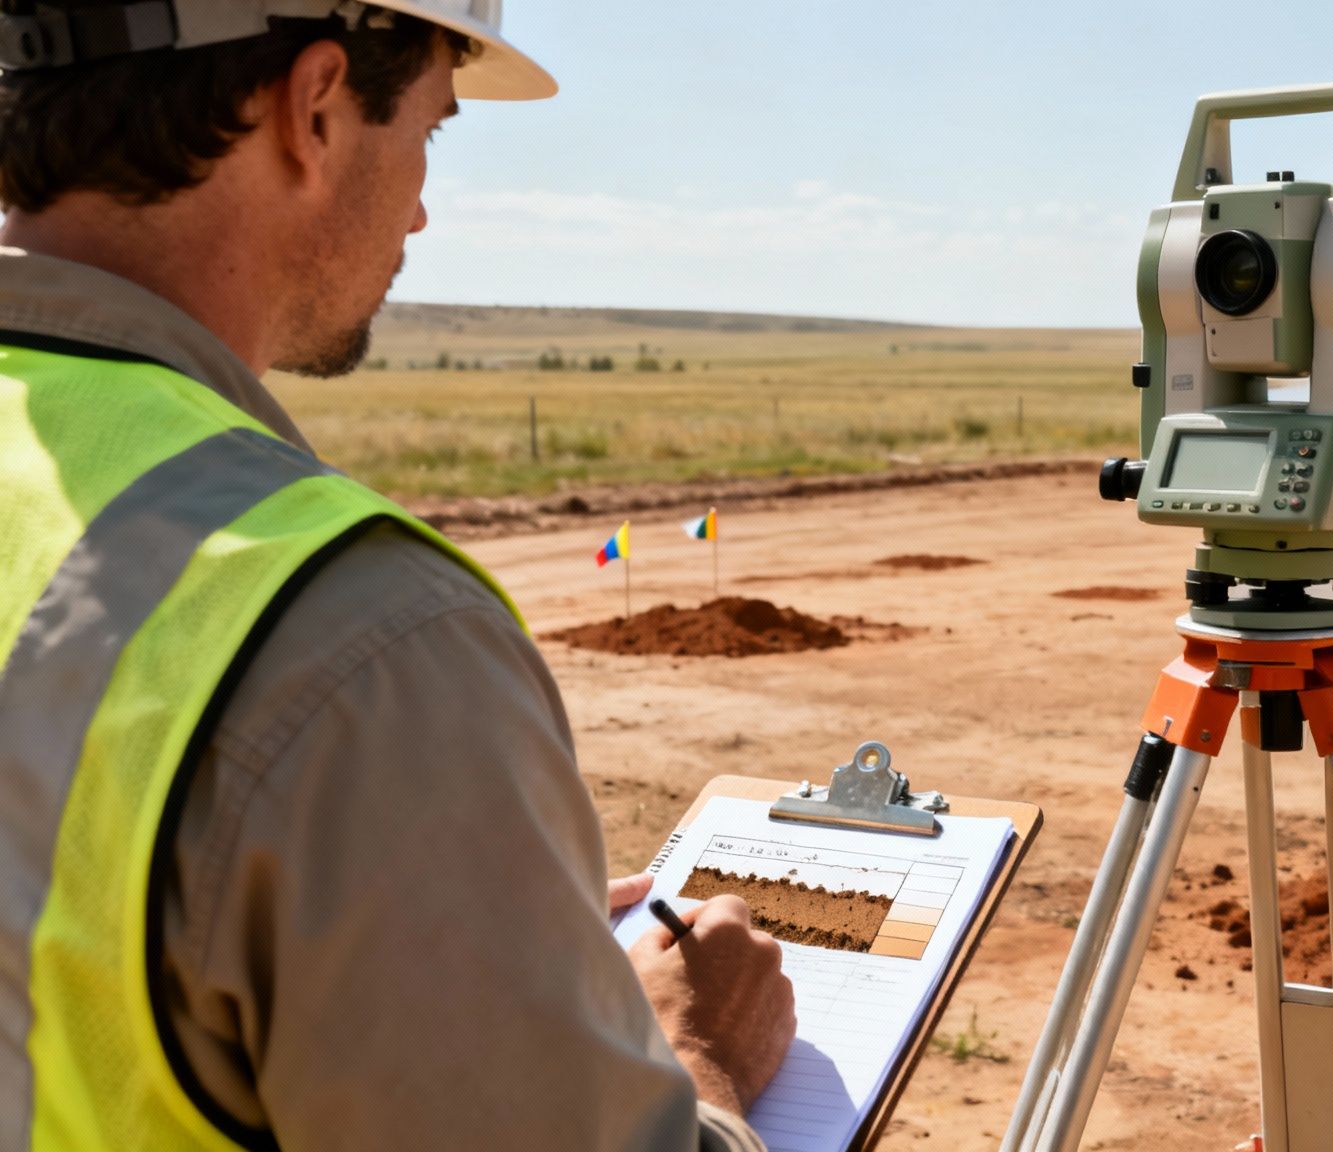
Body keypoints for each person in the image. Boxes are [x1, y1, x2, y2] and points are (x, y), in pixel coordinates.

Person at [0, 3, 795, 1150]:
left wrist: (425, 902)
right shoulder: (358, 640)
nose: (421, 205)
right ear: (314, 105)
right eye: (432, 128)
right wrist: (699, 1053)